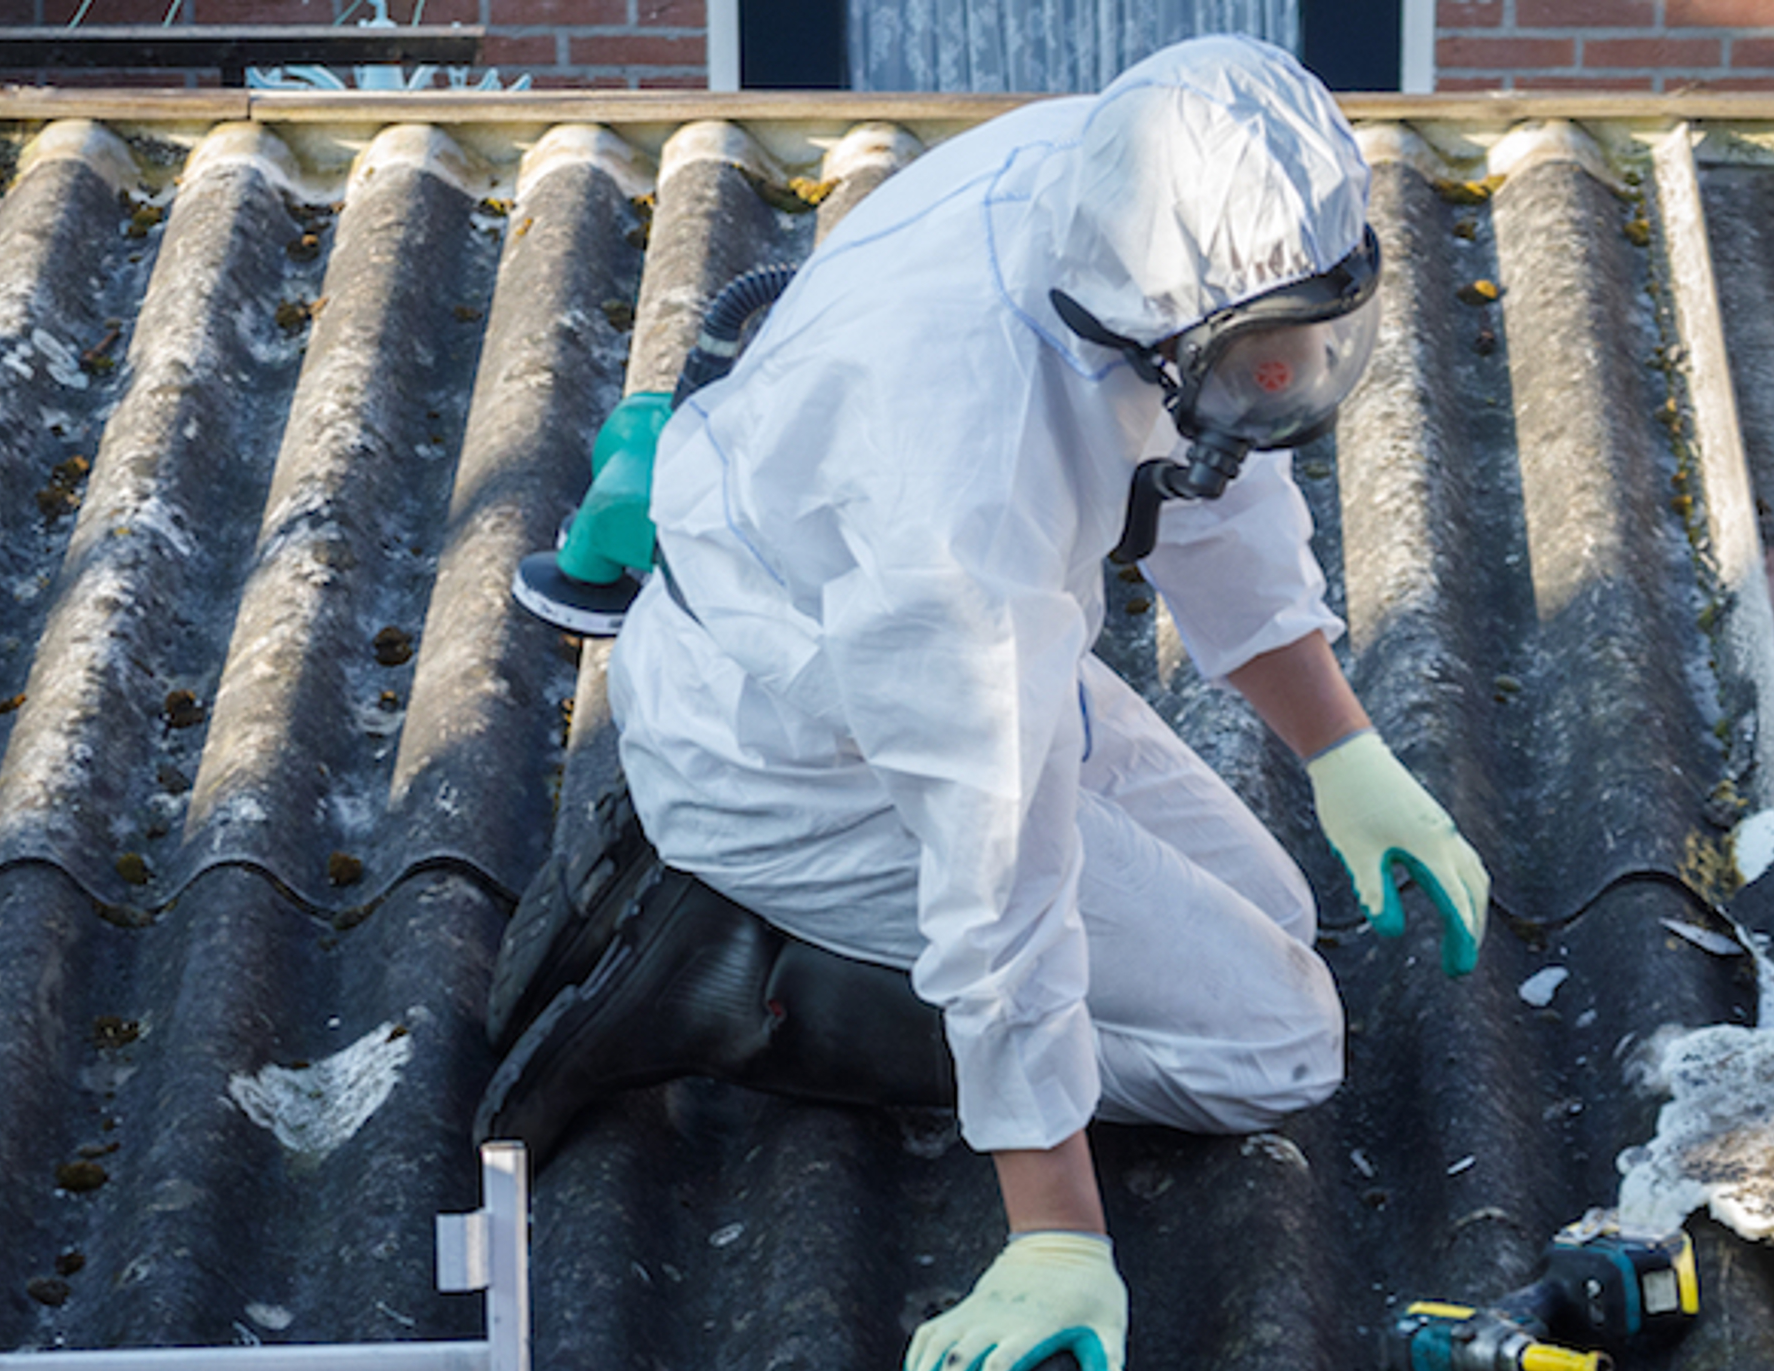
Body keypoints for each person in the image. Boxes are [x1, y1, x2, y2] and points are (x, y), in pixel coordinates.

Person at [476, 34, 1491, 1371]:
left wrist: (1348, 755)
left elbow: (1212, 455)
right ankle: (732, 974)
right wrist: (1056, 1232)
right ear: (1170, 318)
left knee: (1281, 917)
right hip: (799, 759)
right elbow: (991, 855)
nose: (1296, 372)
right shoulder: (966, 471)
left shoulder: (1124, 191)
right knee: (1278, 1048)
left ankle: (839, 952)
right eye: (1266, 350)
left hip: (878, 643)